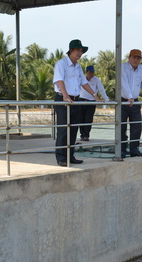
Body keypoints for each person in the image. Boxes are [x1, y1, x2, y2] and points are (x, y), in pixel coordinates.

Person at [53, 39, 101, 167]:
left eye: (81, 51)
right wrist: (65, 95)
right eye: (78, 50)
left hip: (75, 100)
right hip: (63, 99)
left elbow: (83, 82)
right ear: (71, 50)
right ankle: (61, 157)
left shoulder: (78, 66)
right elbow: (59, 81)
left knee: (73, 129)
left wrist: (94, 95)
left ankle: (70, 155)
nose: (80, 53)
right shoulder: (61, 64)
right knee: (63, 129)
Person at [120, 49, 142, 158]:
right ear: (129, 57)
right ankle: (121, 150)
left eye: (138, 58)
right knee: (121, 127)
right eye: (134, 57)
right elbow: (123, 83)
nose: (136, 60)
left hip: (135, 101)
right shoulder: (123, 67)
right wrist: (129, 97)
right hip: (123, 101)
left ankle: (134, 149)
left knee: (137, 126)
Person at [78, 65, 109, 141]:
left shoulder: (96, 80)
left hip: (91, 101)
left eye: (93, 72)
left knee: (88, 119)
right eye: (90, 72)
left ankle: (86, 135)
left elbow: (101, 89)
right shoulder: (81, 79)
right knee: (81, 119)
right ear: (86, 72)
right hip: (81, 100)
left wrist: (106, 99)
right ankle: (82, 135)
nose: (92, 73)